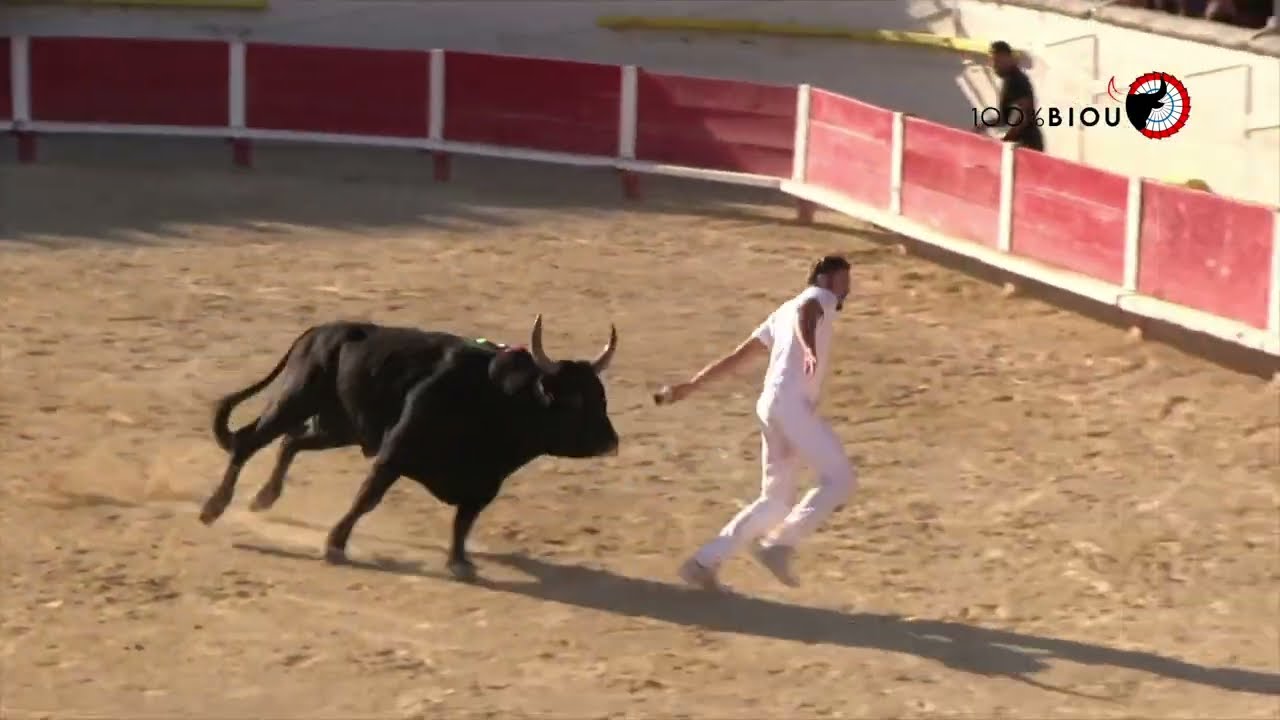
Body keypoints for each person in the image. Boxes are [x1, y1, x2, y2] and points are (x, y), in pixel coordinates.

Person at [653, 255, 857, 591]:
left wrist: (689, 386)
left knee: (775, 501)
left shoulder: (781, 312)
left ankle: (703, 563)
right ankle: (781, 545)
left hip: (771, 405)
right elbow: (810, 314)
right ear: (823, 280)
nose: (846, 290)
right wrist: (808, 348)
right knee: (840, 479)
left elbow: (738, 357)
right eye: (842, 281)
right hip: (792, 405)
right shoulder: (817, 299)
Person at [989, 40, 1045, 153]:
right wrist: (983, 126)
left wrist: (1004, 141)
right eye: (992, 61)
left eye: (996, 61)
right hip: (1020, 145)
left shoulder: (1018, 80)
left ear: (1007, 58)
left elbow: (1022, 119)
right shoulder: (1009, 81)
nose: (994, 66)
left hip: (1027, 145)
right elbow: (1004, 118)